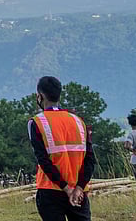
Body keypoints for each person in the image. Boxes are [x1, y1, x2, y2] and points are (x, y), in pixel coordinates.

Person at [29, 76, 94, 221]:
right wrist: (78, 188)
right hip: (79, 192)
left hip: (50, 189)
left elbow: (43, 161)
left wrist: (66, 188)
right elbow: (90, 160)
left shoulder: (37, 122)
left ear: (40, 96)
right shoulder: (78, 121)